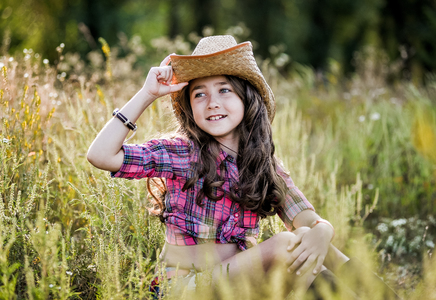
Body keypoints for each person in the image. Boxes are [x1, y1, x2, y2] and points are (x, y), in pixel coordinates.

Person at [87, 35, 398, 299]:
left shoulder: (263, 163)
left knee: (310, 241)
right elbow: (101, 155)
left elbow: (307, 219)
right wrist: (146, 94)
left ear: (247, 99)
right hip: (185, 289)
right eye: (199, 94)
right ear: (189, 108)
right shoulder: (180, 152)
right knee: (288, 244)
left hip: (240, 288)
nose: (212, 103)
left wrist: (324, 231)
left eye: (224, 90)